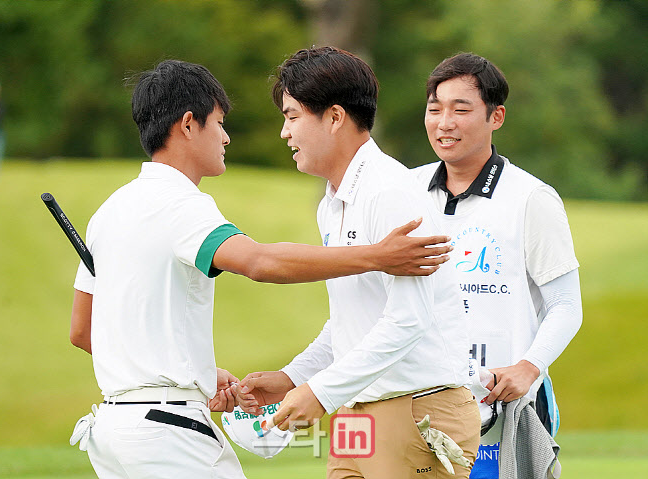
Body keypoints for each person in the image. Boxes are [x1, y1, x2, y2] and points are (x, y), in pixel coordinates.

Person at [69, 59, 453, 479]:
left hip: (112, 433)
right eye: (218, 122)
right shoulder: (181, 203)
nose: (226, 137)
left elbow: (84, 331)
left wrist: (197, 370)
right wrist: (376, 255)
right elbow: (259, 261)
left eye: (291, 116)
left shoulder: (108, 212)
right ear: (188, 125)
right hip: (168, 433)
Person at [237, 47, 480, 479]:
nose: (284, 133)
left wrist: (321, 391)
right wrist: (294, 377)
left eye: (292, 117)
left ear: (334, 118)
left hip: (416, 408)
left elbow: (409, 319)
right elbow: (353, 318)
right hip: (356, 412)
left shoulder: (389, 192)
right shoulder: (331, 203)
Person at [412, 53, 583, 478]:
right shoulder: (406, 189)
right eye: (435, 109)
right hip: (419, 406)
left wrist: (529, 367)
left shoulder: (530, 198)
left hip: (504, 411)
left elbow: (565, 305)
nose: (444, 122)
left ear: (496, 117)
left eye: (461, 109)